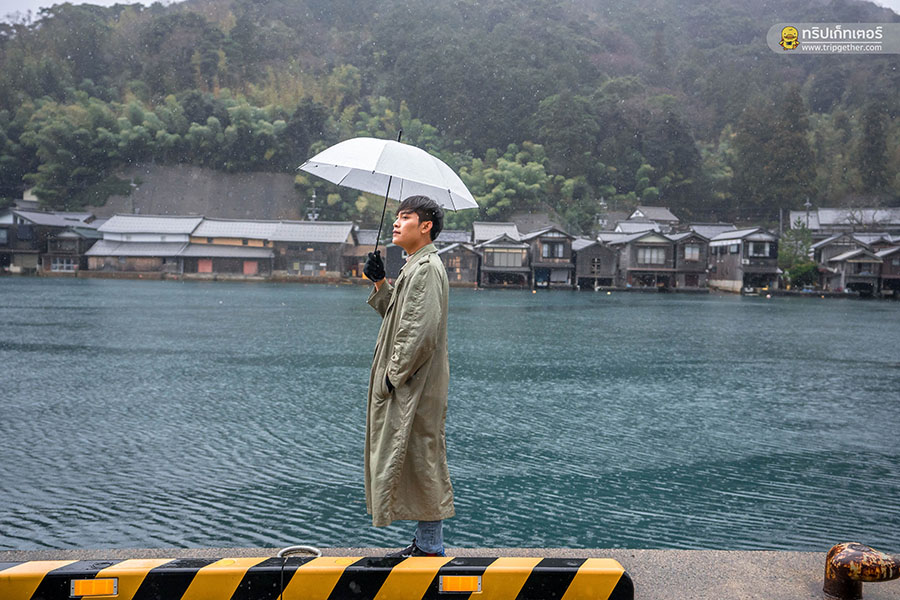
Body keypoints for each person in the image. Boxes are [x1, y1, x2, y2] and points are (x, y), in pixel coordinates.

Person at [362, 195, 454, 557]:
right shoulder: (415, 266)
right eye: (396, 217)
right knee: (417, 453)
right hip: (410, 380)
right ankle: (427, 542)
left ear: (426, 226)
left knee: (422, 454)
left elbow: (420, 331)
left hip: (414, 382)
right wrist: (379, 282)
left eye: (405, 217)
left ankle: (430, 545)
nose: (396, 223)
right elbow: (398, 315)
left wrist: (392, 377)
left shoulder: (426, 268)